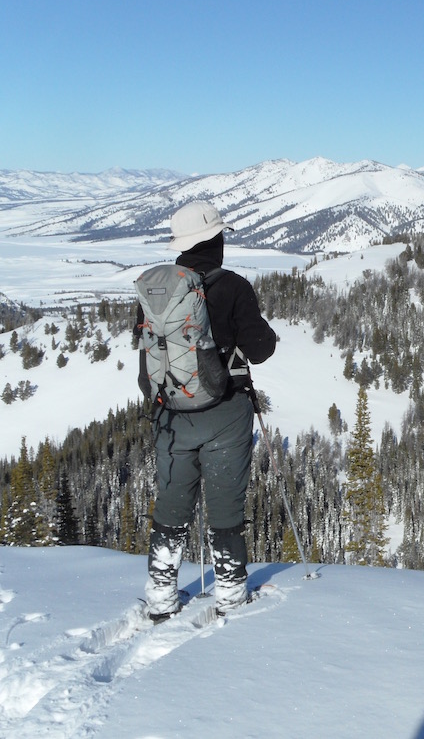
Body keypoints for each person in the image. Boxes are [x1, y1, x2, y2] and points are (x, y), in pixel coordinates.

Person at [136, 201, 276, 621]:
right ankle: (230, 591)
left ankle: (161, 592)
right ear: (215, 239)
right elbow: (260, 349)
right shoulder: (232, 286)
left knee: (172, 504)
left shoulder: (156, 287)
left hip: (171, 415)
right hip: (225, 411)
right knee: (225, 503)